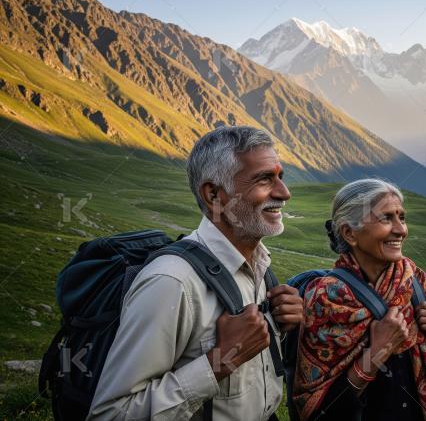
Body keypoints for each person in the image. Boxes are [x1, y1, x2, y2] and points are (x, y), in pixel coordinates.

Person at [88, 126, 304, 420]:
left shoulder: (260, 269)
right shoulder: (171, 282)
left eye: (280, 176)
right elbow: (111, 414)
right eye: (264, 179)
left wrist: (280, 330)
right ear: (214, 195)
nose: (284, 193)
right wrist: (222, 360)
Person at [293, 179, 426, 421]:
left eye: (402, 217)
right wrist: (378, 351)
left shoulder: (414, 281)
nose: (401, 229)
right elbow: (318, 412)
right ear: (350, 233)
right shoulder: (326, 300)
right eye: (386, 218)